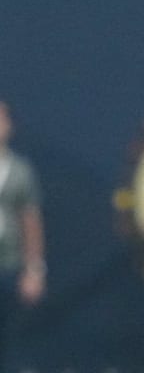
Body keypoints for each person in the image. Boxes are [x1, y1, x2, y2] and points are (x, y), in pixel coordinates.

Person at [0, 101, 46, 371]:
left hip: (8, 265)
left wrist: (34, 269)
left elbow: (31, 222)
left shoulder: (20, 171)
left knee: (9, 340)